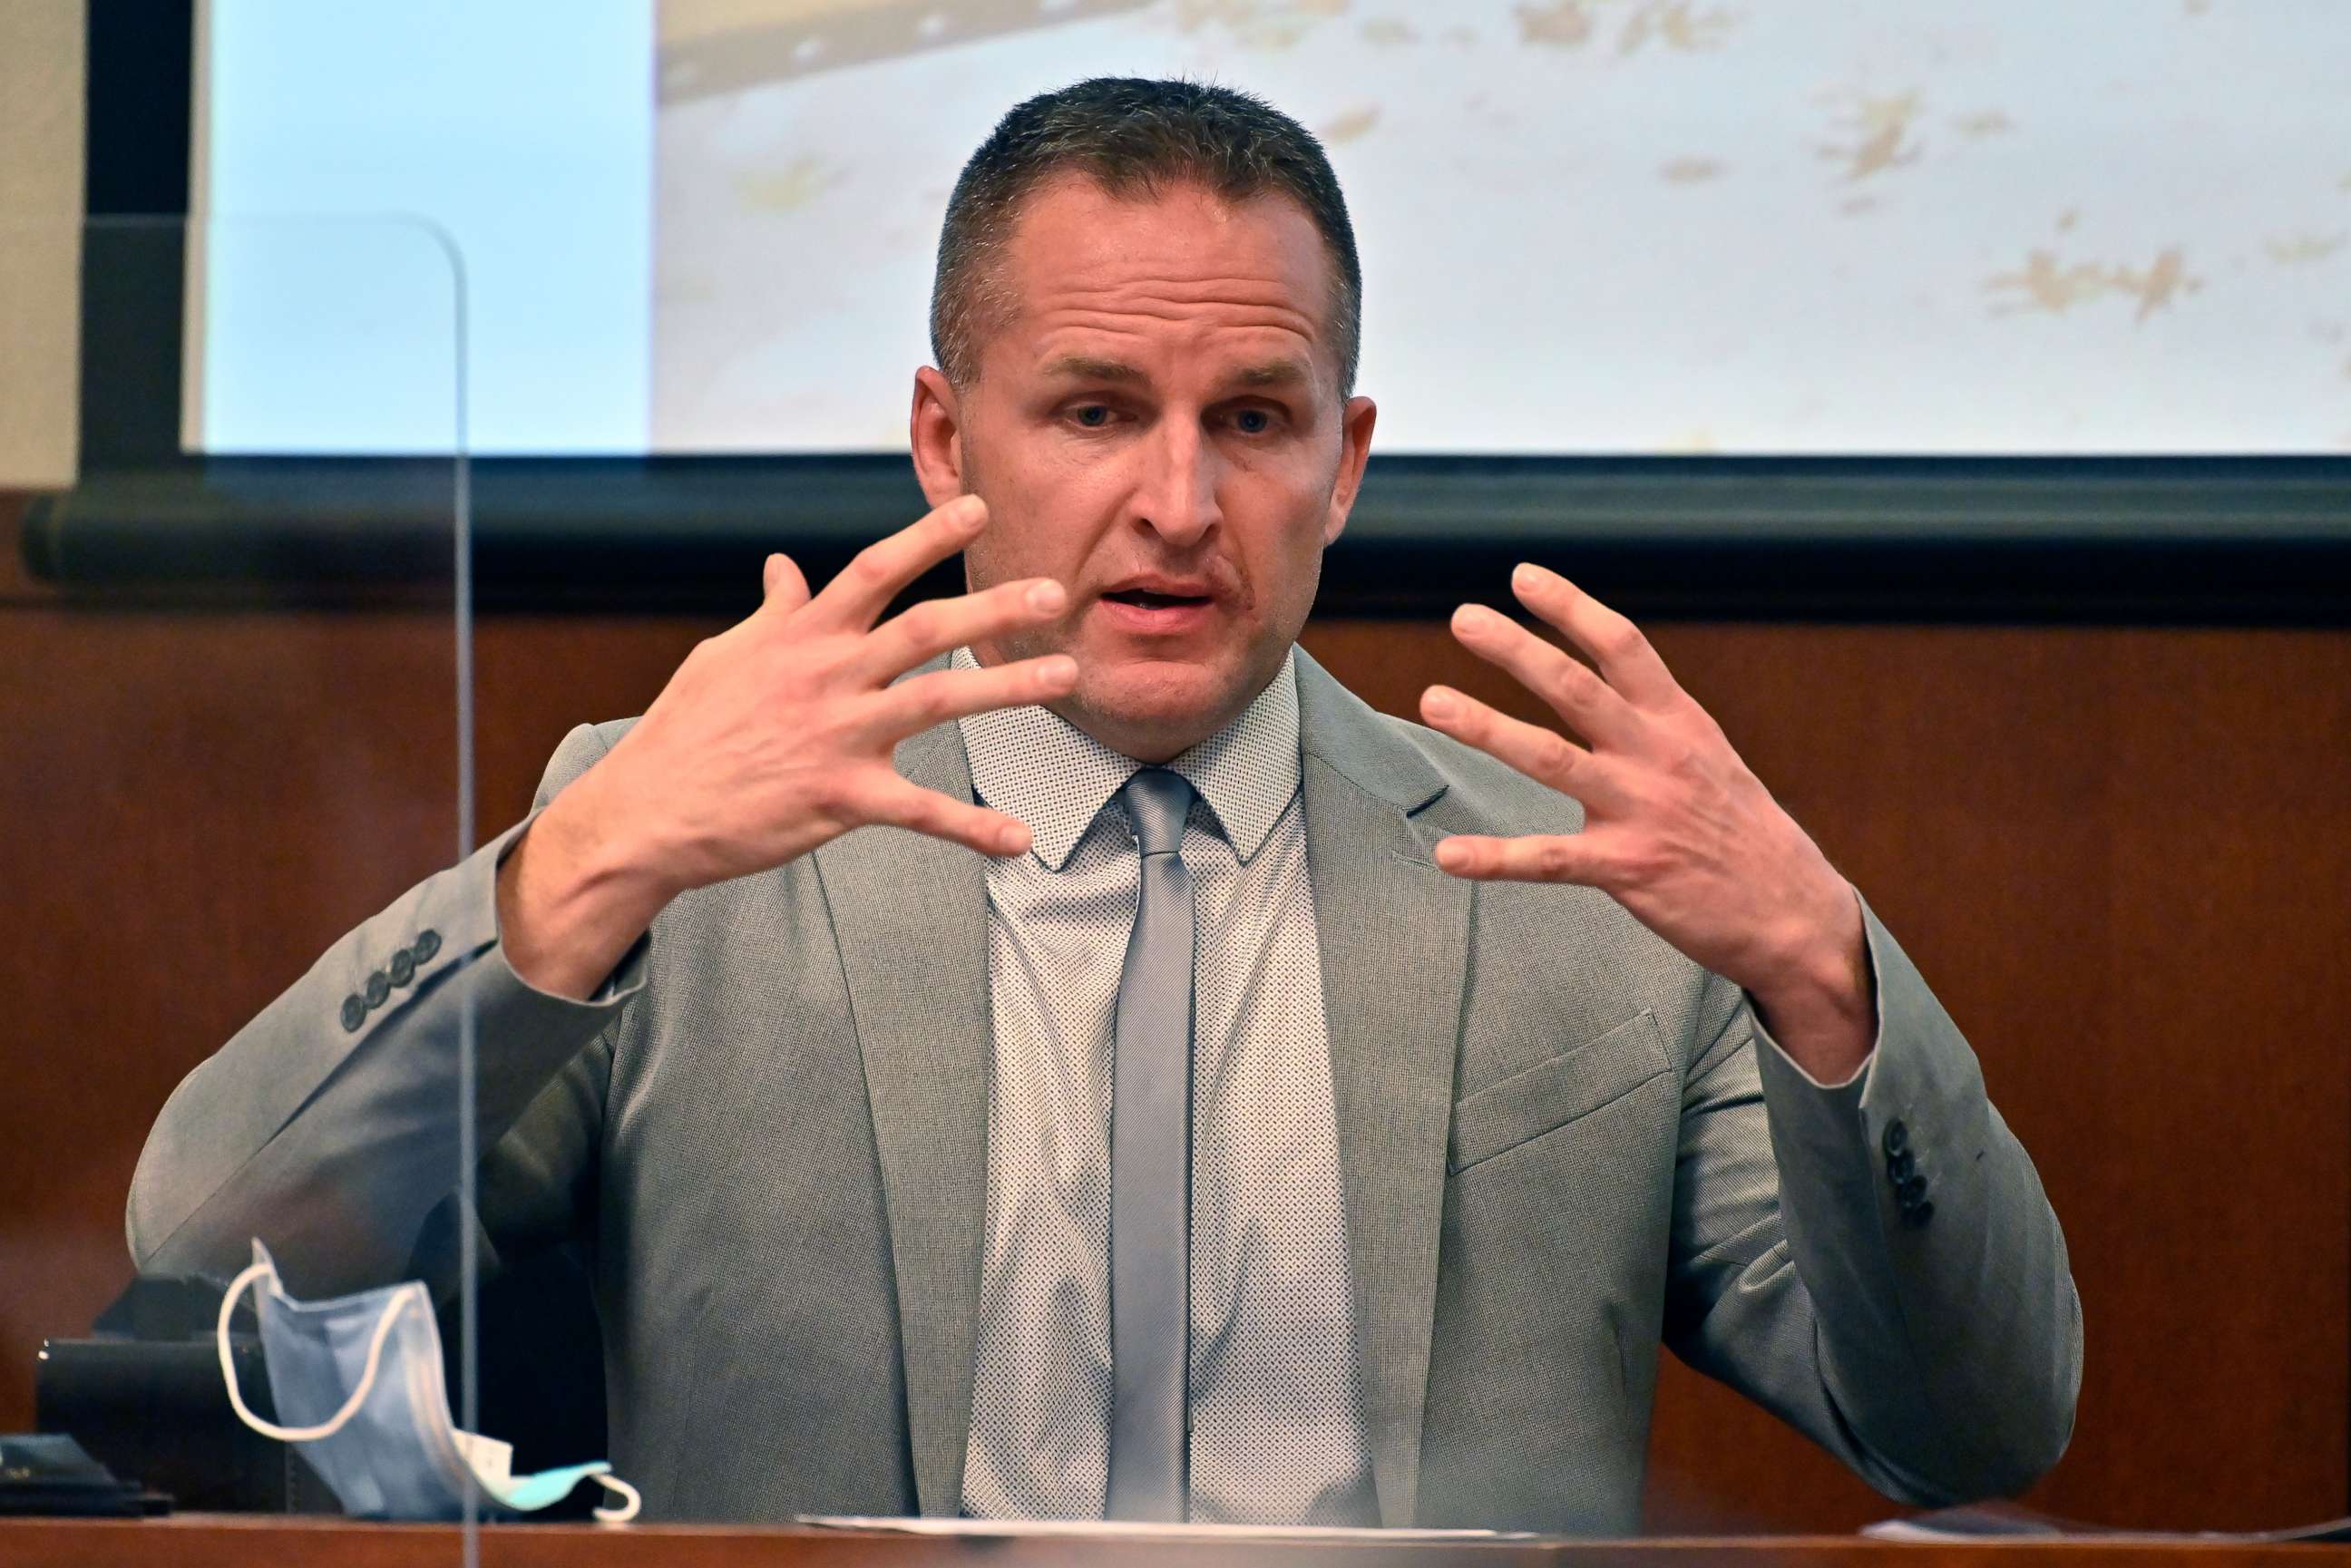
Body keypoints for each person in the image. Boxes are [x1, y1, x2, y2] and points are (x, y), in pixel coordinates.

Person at [128, 77, 2079, 1530]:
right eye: (1091, 410)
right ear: (940, 435)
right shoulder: (698, 841)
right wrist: (572, 876)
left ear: (1347, 460)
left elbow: (1976, 1427)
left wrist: (1829, 973)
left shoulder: (1575, 888)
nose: (1175, 502)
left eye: (1252, 419)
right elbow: (208, 1248)